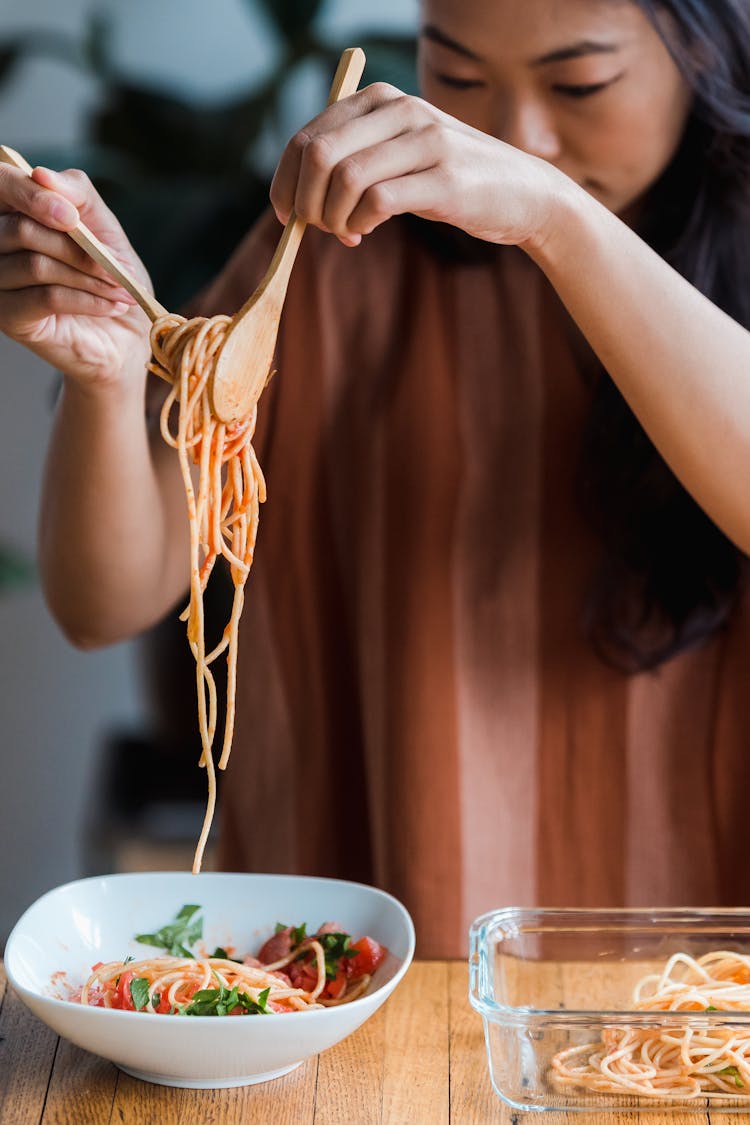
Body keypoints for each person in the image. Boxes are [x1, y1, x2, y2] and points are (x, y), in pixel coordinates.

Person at [2, 0, 750, 957]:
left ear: (707, 51)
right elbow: (101, 602)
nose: (516, 137)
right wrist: (107, 377)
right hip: (371, 961)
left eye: (579, 84)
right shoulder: (336, 257)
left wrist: (551, 215)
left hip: (692, 972)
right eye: (460, 76)